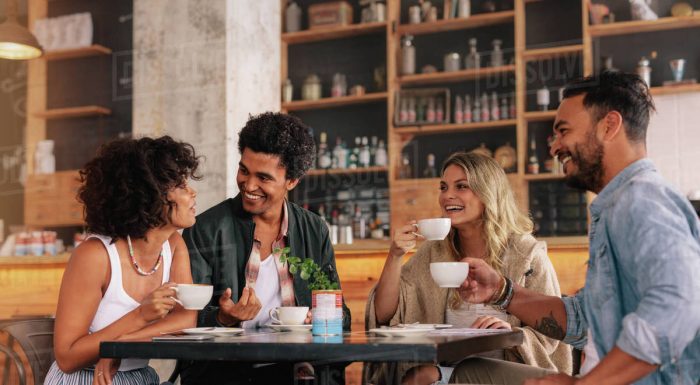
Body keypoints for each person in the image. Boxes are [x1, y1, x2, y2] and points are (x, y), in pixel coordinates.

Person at [457, 71, 700, 385]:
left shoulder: (640, 200)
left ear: (609, 126)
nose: (555, 146)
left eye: (563, 131)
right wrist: (502, 291)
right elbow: (587, 318)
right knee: (463, 373)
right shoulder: (617, 205)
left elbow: (678, 302)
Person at [366, 151, 571, 385]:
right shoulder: (434, 251)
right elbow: (384, 314)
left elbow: (552, 330)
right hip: (446, 372)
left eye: (461, 186)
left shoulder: (527, 255)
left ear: (488, 194)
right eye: (443, 187)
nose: (447, 196)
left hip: (508, 374)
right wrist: (395, 255)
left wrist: (513, 334)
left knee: (421, 377)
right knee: (420, 376)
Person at [180, 112, 351, 385]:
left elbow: (342, 318)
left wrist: (319, 317)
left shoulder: (313, 229)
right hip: (225, 374)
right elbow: (181, 318)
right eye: (244, 170)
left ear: (292, 181)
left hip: (298, 373)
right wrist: (223, 318)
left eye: (264, 177)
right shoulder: (205, 229)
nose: (249, 185)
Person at [45, 136, 200, 385]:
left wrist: (119, 346)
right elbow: (67, 357)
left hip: (140, 377)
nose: (192, 192)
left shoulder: (174, 245)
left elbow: (184, 320)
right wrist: (141, 315)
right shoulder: (95, 256)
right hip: (87, 379)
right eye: (180, 185)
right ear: (151, 196)